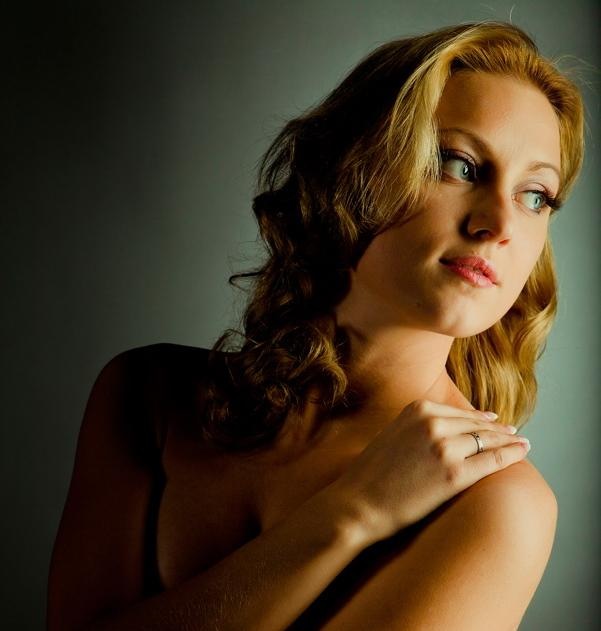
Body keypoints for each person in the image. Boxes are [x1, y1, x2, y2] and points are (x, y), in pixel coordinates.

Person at [47, 21, 584, 631]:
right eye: (458, 164)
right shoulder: (147, 395)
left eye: (536, 196)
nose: (501, 224)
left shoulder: (494, 503)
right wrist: (353, 513)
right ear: (354, 170)